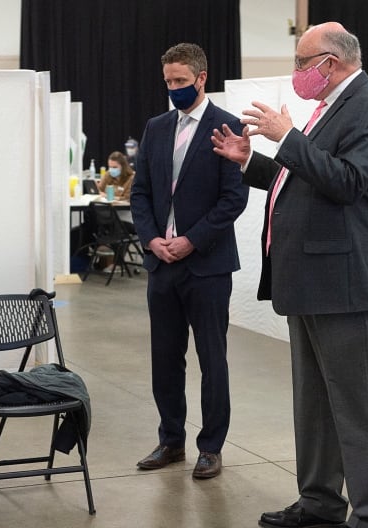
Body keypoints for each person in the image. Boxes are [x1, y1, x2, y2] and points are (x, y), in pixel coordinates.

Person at [211, 22, 368, 528]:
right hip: (313, 279)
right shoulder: (333, 107)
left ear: (332, 63)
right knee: (314, 402)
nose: (295, 73)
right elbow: (304, 180)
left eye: (300, 61)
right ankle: (319, 500)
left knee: (356, 406)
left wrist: (286, 136)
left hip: (343, 282)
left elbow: (346, 182)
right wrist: (250, 162)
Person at [130, 43, 249, 480]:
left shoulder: (227, 127)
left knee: (212, 357)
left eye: (180, 81)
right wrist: (152, 240)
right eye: (168, 82)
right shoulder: (157, 128)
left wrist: (192, 241)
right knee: (165, 356)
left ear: (201, 78)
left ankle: (211, 447)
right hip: (162, 264)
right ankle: (170, 440)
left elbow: (234, 199)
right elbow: (140, 192)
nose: (174, 89)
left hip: (208, 266)